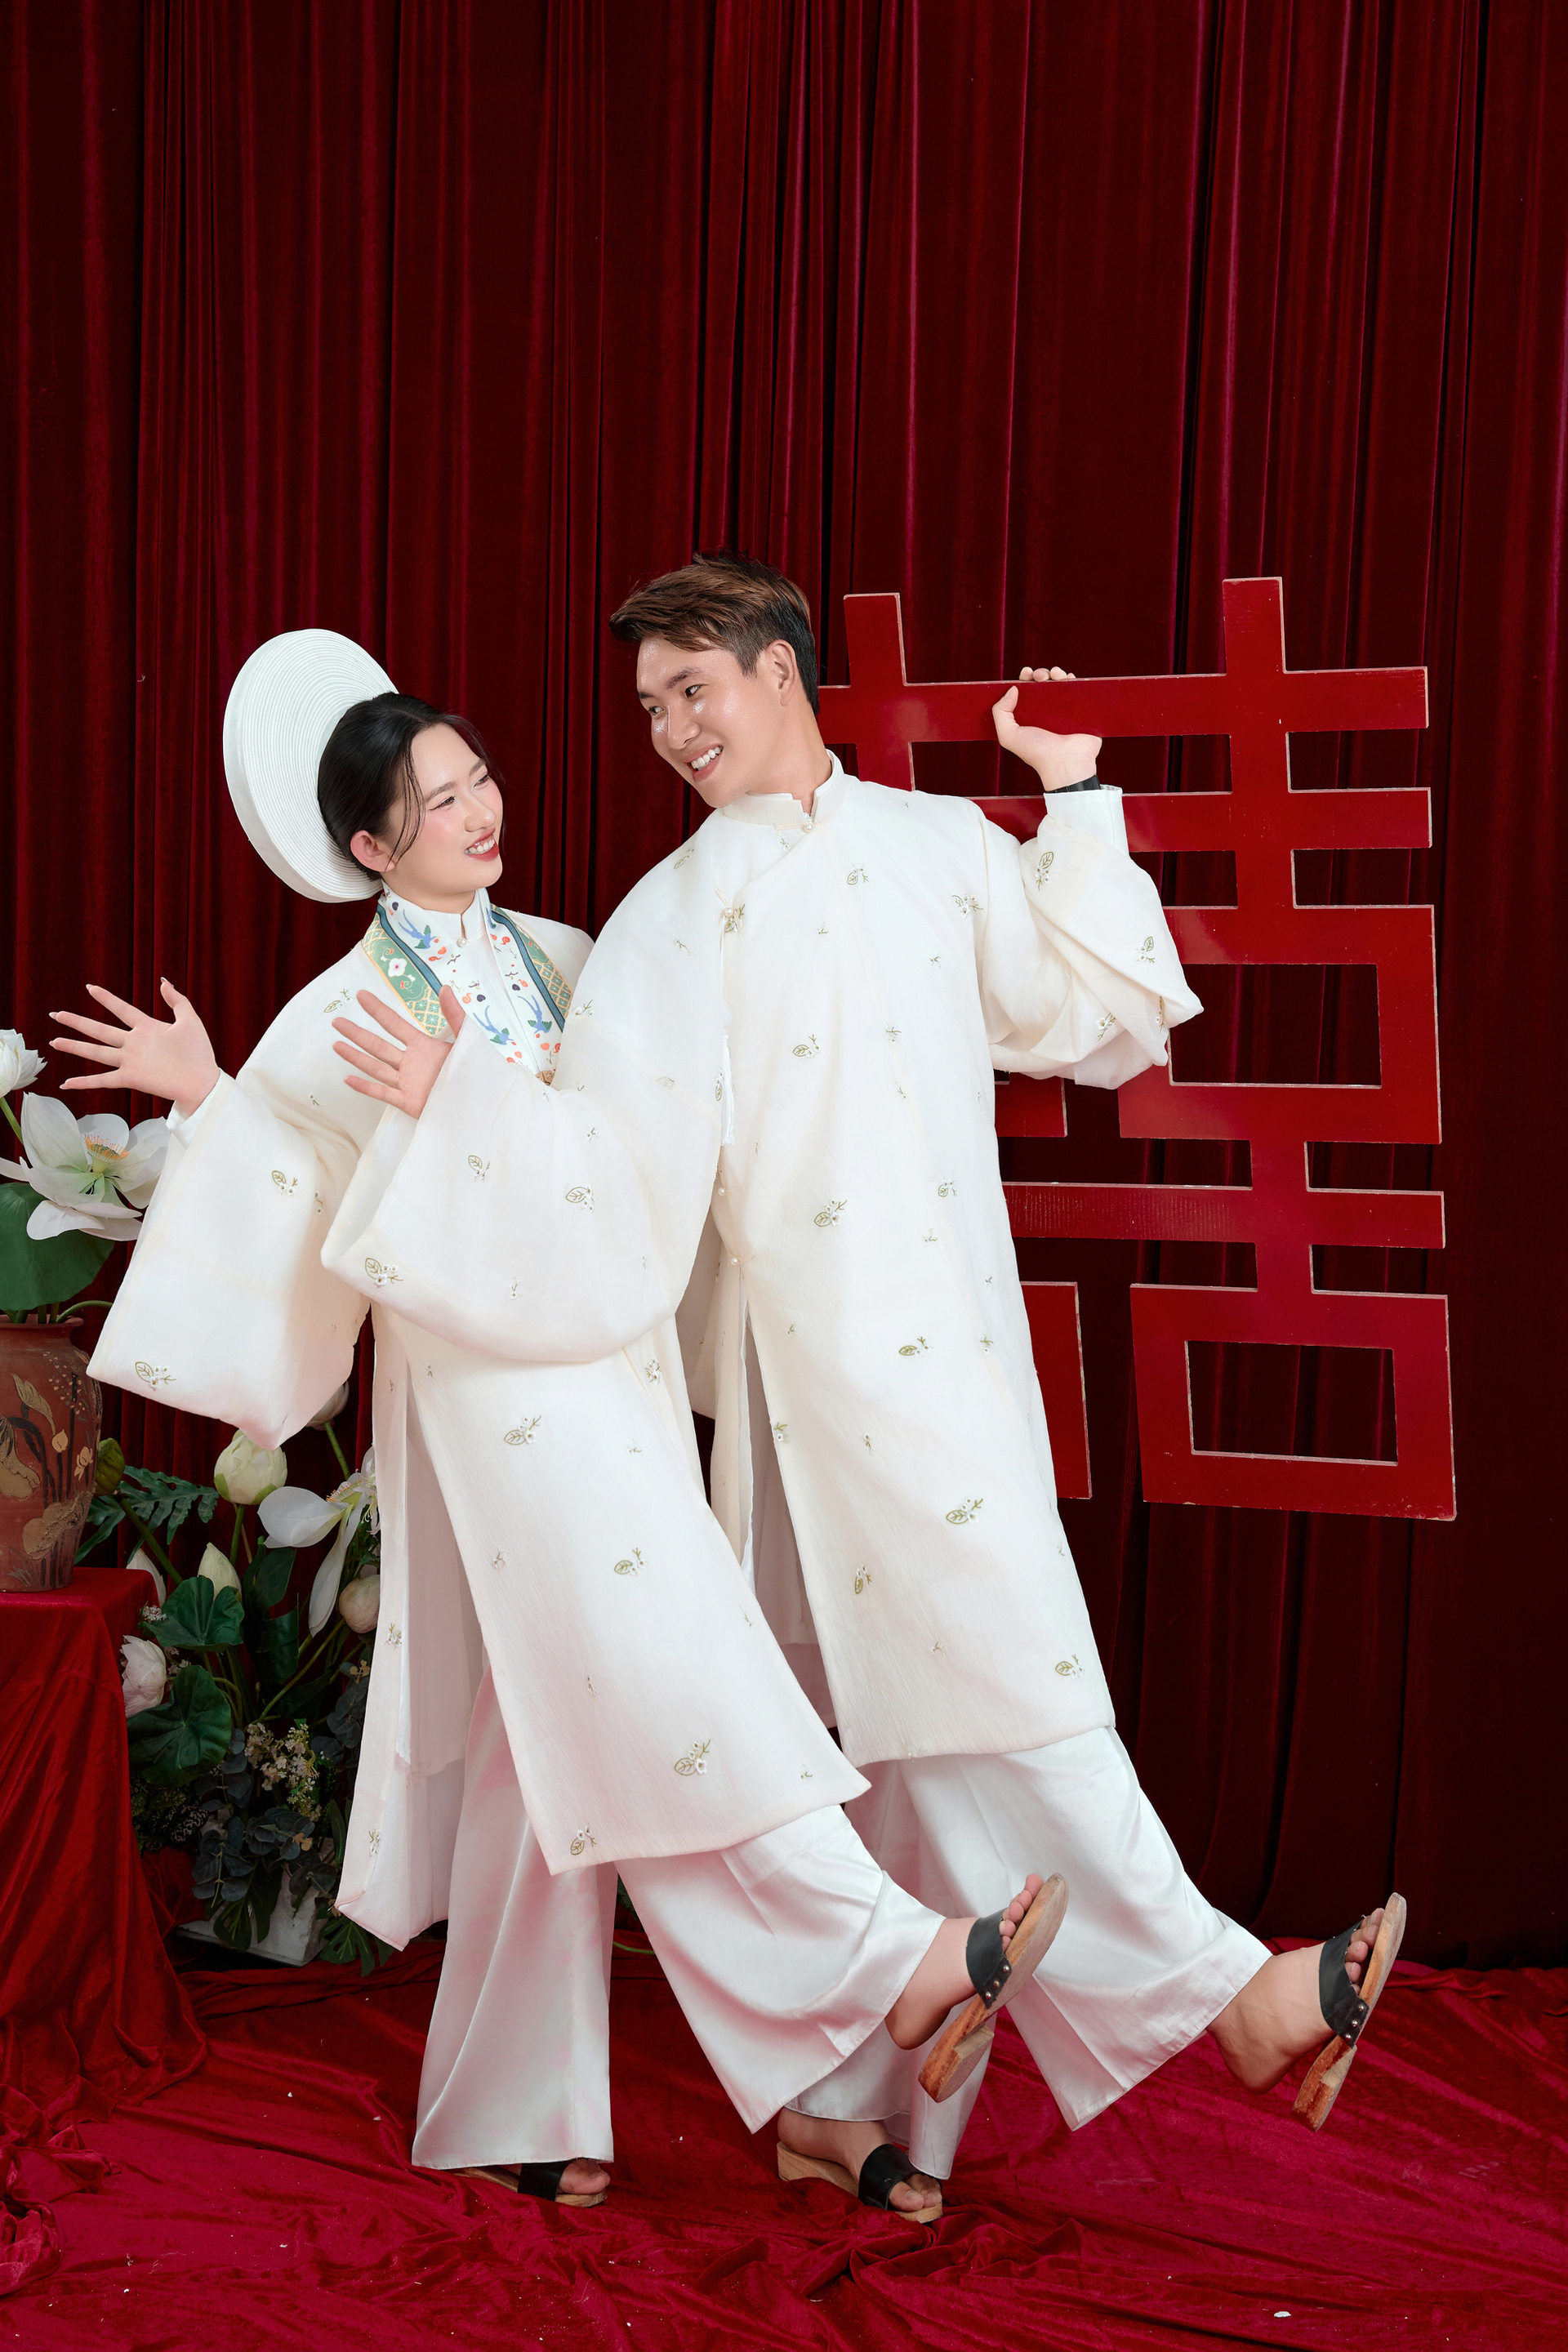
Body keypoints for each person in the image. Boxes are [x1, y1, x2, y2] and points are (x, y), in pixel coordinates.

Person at [52, 628, 1054, 2221]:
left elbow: (662, 1143)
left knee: (555, 1742)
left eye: (479, 780)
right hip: (490, 1406)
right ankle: (885, 1970)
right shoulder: (336, 1013)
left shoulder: (574, 958)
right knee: (676, 1678)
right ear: (368, 848)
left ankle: (542, 2099)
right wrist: (211, 1098)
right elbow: (303, 1204)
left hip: (617, 1370)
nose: (479, 813)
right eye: (437, 802)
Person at [586, 553, 1401, 2169]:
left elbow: (1087, 1012)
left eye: (694, 686)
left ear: (778, 667)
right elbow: (608, 1170)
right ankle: (1229, 1992)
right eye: (652, 707)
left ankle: (849, 2110)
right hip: (817, 1360)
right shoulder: (666, 917)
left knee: (900, 1722)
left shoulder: (936, 842)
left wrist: (1075, 798)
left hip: (956, 1322)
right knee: (1007, 1666)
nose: (673, 728)